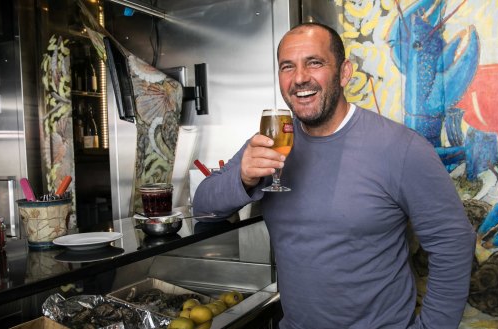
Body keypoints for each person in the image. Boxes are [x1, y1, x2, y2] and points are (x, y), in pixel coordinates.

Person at [193, 22, 476, 329]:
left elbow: (453, 243)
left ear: (344, 73)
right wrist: (244, 178)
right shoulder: (272, 143)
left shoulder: (401, 148)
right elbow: (203, 206)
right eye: (288, 66)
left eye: (314, 63)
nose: (300, 78)